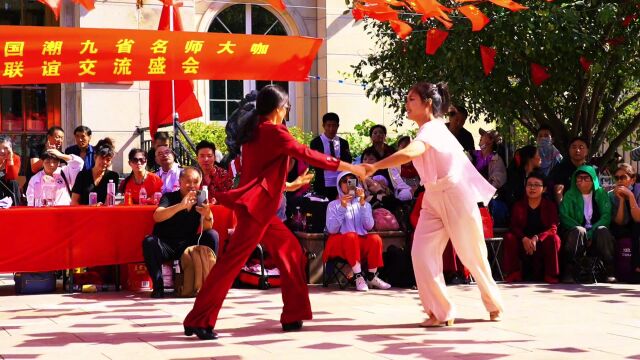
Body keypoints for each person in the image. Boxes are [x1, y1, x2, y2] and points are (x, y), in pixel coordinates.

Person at [183, 85, 365, 340]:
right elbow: (308, 154)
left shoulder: (255, 129)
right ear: (279, 108)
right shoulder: (273, 130)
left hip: (261, 208)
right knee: (230, 265)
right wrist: (353, 168)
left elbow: (262, 173)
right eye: (287, 108)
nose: (287, 112)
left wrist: (291, 185)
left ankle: (293, 314)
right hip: (257, 210)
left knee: (292, 253)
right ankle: (199, 320)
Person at [361, 81, 503, 327]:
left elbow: (413, 151)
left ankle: (494, 304)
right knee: (421, 252)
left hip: (455, 194)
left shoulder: (433, 129)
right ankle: (440, 311)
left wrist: (375, 165)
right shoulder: (428, 129)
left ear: (427, 104)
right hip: (433, 196)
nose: (406, 104)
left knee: (472, 254)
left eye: (411, 100)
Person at [143, 167, 219, 298]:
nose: (192, 185)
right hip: (166, 244)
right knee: (149, 242)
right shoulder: (169, 196)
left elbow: (207, 228)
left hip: (187, 245)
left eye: (195, 182)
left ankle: (209, 283)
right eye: (188, 181)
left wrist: (207, 214)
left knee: (212, 235)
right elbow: (157, 216)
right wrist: (181, 206)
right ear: (180, 181)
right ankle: (158, 287)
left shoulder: (200, 200)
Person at [323, 171, 392, 291]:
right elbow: (332, 229)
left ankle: (371, 276)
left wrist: (363, 203)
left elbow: (369, 226)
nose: (348, 184)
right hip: (340, 242)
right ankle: (358, 277)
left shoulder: (364, 204)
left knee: (375, 238)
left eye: (352, 181)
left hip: (358, 241)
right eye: (345, 181)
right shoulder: (333, 205)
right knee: (351, 236)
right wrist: (342, 207)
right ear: (339, 185)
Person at [559, 165, 616, 283]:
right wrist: (584, 232)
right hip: (577, 234)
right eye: (579, 178)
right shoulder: (569, 195)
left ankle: (609, 270)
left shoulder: (601, 193)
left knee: (602, 230)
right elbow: (564, 216)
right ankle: (569, 271)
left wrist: (590, 233)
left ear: (593, 179)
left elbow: (606, 216)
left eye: (586, 178)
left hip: (595, 234)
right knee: (579, 230)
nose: (582, 181)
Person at [502, 171, 561, 283]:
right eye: (529, 184)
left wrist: (536, 238)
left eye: (536, 185)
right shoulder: (518, 205)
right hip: (523, 243)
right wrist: (524, 238)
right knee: (509, 237)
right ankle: (513, 273)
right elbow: (514, 226)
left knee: (554, 238)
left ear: (544, 189)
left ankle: (551, 275)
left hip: (541, 243)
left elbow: (553, 228)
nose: (532, 188)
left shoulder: (550, 206)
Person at [309, 112, 352, 200]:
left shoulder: (343, 143)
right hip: (323, 184)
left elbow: (348, 161)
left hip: (340, 183)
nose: (331, 129)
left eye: (334, 126)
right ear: (323, 126)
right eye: (328, 126)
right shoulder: (316, 142)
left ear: (338, 126)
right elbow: (315, 163)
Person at [608, 163, 640, 282]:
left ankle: (637, 269)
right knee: (616, 230)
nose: (619, 181)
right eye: (617, 178)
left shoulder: (638, 190)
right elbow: (620, 222)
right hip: (623, 227)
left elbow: (637, 218)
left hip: (637, 224)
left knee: (637, 228)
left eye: (623, 177)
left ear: (633, 179)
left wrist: (630, 196)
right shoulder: (611, 195)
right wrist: (621, 200)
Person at [70, 138, 120, 205]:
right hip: (83, 213)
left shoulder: (113, 176)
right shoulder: (82, 175)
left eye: (108, 160)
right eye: (102, 158)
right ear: (95, 157)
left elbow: (109, 201)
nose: (105, 162)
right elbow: (74, 201)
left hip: (104, 213)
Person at [549, 136, 590, 204]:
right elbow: (558, 191)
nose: (577, 150)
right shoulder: (560, 168)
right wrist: (564, 210)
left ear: (587, 151)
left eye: (581, 147)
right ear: (569, 150)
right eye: (574, 147)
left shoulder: (591, 169)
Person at [0, 136, 21, 205]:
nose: (2, 151)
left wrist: (9, 159)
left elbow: (13, 176)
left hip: (9, 187)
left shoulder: (16, 158)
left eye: (5, 148)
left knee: (13, 182)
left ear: (10, 149)